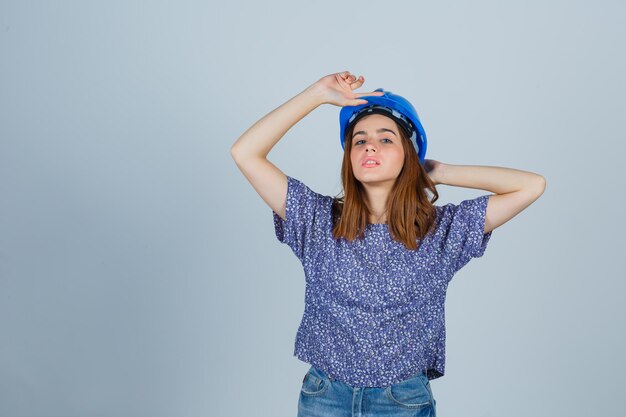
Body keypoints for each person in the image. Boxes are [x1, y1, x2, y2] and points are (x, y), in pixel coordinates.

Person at [230, 71, 546, 417]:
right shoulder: (317, 220)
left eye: (386, 140)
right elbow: (245, 152)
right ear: (349, 157)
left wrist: (437, 170)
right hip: (325, 397)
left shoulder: (440, 231)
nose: (370, 146)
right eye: (359, 140)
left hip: (401, 401)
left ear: (407, 154)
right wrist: (316, 95)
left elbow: (531, 186)